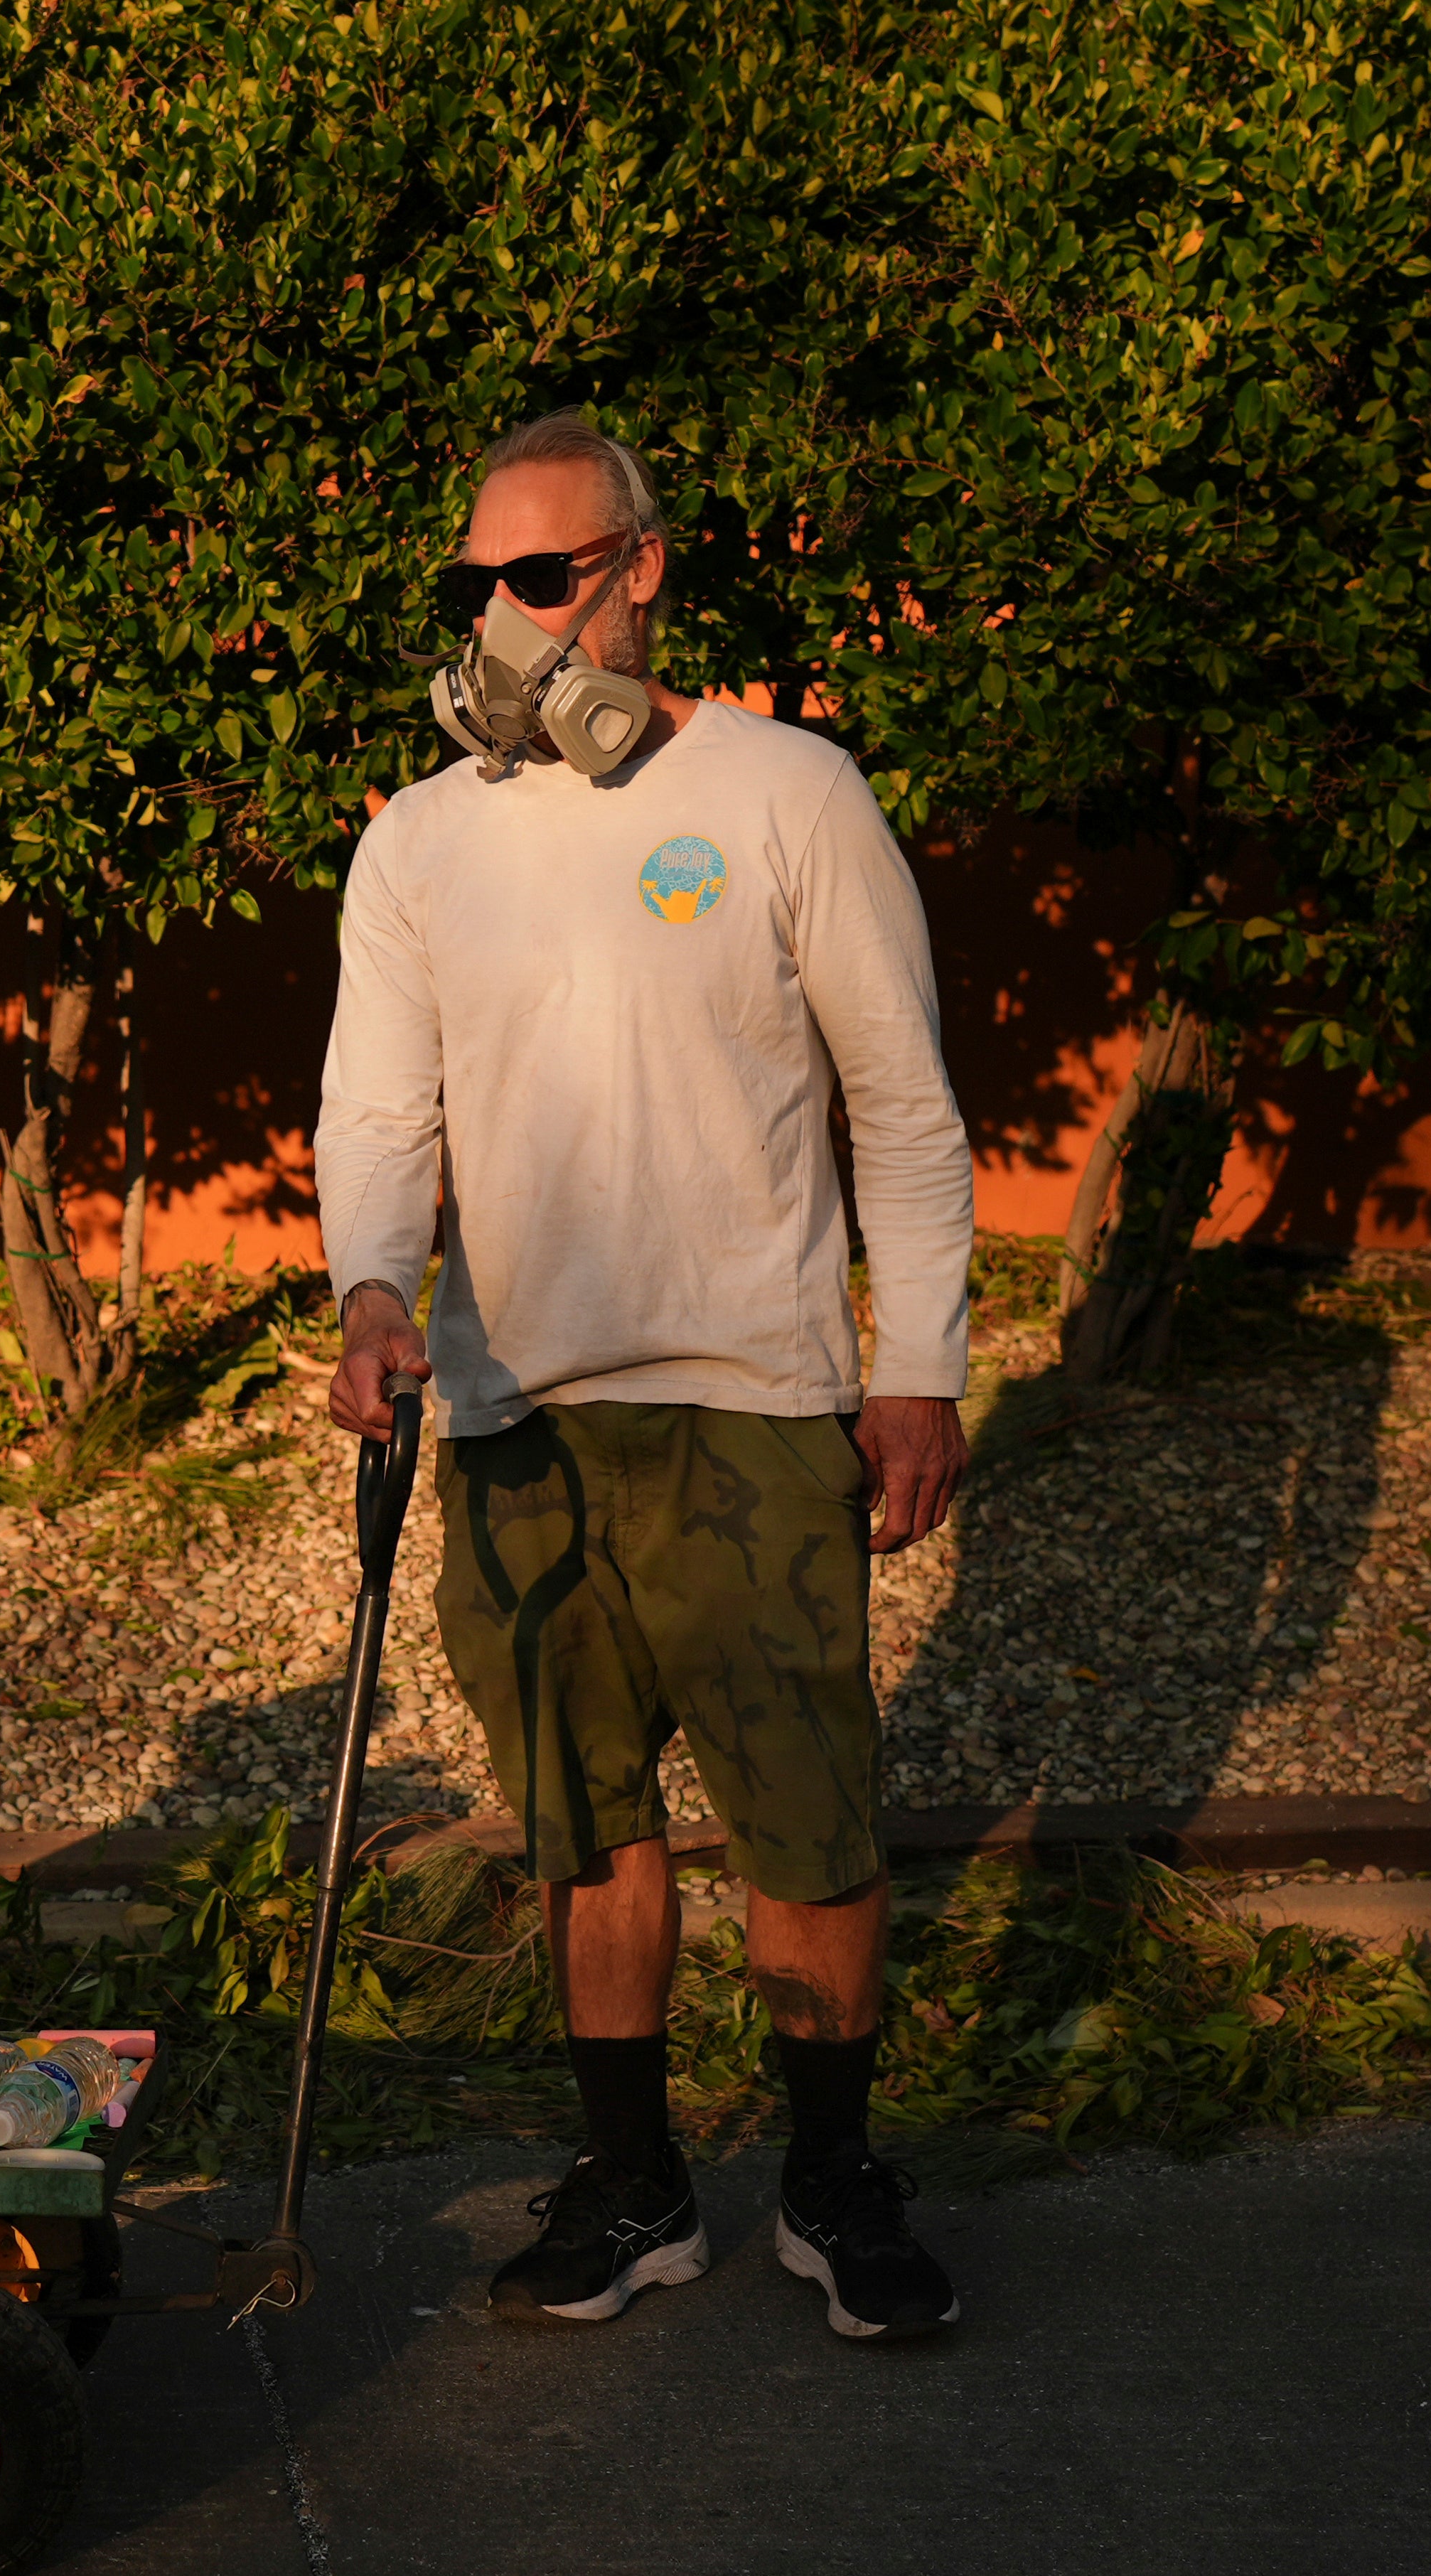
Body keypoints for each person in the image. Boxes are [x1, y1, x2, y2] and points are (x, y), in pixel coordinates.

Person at [316, 409, 977, 2339]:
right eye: (472, 589)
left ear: (635, 566)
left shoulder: (787, 792)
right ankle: (632, 2187)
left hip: (752, 1400)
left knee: (801, 1814)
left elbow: (903, 1108)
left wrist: (913, 1363)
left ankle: (831, 2180)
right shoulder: (419, 840)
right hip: (513, 1407)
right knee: (579, 1814)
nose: (500, 626)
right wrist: (371, 1291)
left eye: (533, 579)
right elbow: (377, 1105)